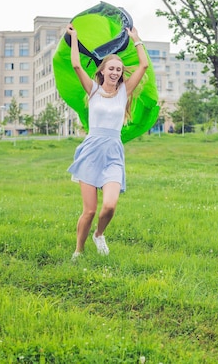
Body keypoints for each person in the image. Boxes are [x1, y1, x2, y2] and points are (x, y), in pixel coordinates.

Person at [65, 22, 149, 260]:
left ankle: (99, 235)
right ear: (102, 71)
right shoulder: (92, 90)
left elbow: (143, 64)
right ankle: (79, 251)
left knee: (109, 206)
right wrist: (75, 37)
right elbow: (75, 64)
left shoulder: (124, 92)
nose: (115, 73)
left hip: (113, 152)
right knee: (89, 210)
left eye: (119, 70)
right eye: (111, 68)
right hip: (91, 152)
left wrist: (136, 39)